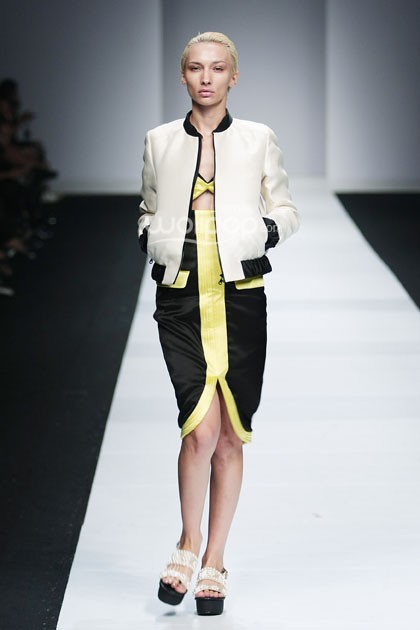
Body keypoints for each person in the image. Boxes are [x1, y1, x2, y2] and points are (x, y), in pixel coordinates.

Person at [138, 32, 300, 616]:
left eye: (217, 68)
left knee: (230, 433)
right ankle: (187, 541)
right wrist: (152, 239)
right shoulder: (159, 140)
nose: (206, 78)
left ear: (234, 76)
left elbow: (285, 208)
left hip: (239, 296)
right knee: (198, 430)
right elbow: (147, 208)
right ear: (182, 75)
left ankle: (214, 558)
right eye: (195, 68)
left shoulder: (258, 139)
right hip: (181, 296)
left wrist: (262, 234)